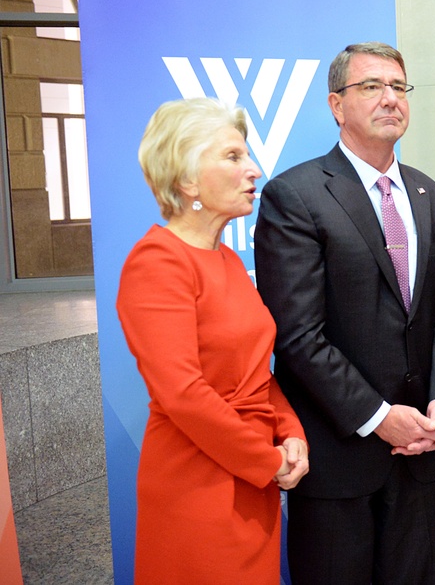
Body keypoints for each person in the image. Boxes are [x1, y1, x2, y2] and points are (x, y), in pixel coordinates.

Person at [253, 41, 435, 585]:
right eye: (371, 87)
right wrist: (378, 417)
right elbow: (298, 336)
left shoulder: (432, 196)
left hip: (419, 448)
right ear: (336, 104)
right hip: (338, 455)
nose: (389, 99)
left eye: (399, 87)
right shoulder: (295, 195)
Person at [116, 97, 309, 583]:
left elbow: (254, 376)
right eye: (233, 157)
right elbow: (182, 394)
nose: (254, 170)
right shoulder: (157, 263)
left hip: (253, 479)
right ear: (186, 179)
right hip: (197, 484)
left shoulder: (225, 260)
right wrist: (264, 458)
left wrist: (292, 434)